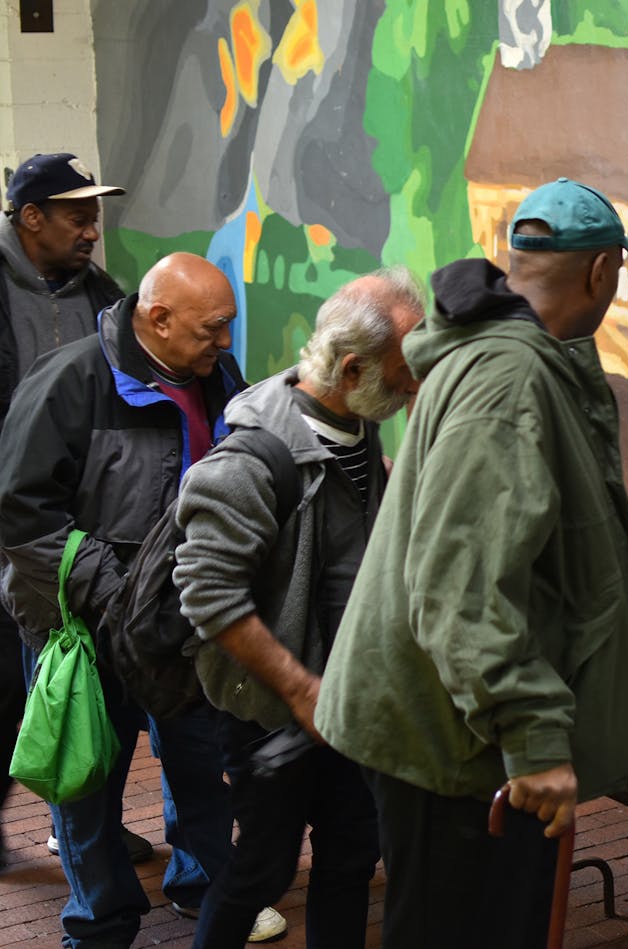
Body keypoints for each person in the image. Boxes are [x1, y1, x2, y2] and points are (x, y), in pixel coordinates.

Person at [314, 177, 628, 948]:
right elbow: (460, 585)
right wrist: (533, 737)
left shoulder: (503, 356)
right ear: (603, 271)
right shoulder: (510, 377)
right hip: (456, 743)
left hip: (452, 729)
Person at [0, 252, 285, 945]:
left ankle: (200, 883)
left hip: (180, 628)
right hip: (84, 627)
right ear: (158, 319)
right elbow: (22, 515)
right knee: (88, 789)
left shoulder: (216, 378)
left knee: (197, 764)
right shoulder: (69, 384)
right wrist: (122, 596)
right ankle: (101, 923)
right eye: (212, 328)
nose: (225, 343)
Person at [173, 269, 425, 948]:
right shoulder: (252, 459)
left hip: (348, 702)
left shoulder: (356, 418)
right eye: (405, 375)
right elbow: (205, 591)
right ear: (351, 367)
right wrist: (300, 688)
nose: (413, 388)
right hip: (273, 711)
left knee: (349, 856)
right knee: (261, 869)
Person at [0, 152, 138, 868]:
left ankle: (82, 818)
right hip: (13, 517)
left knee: (74, 677)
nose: (91, 229)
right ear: (31, 218)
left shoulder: (102, 294)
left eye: (95, 215)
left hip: (73, 521)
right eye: (77, 215)